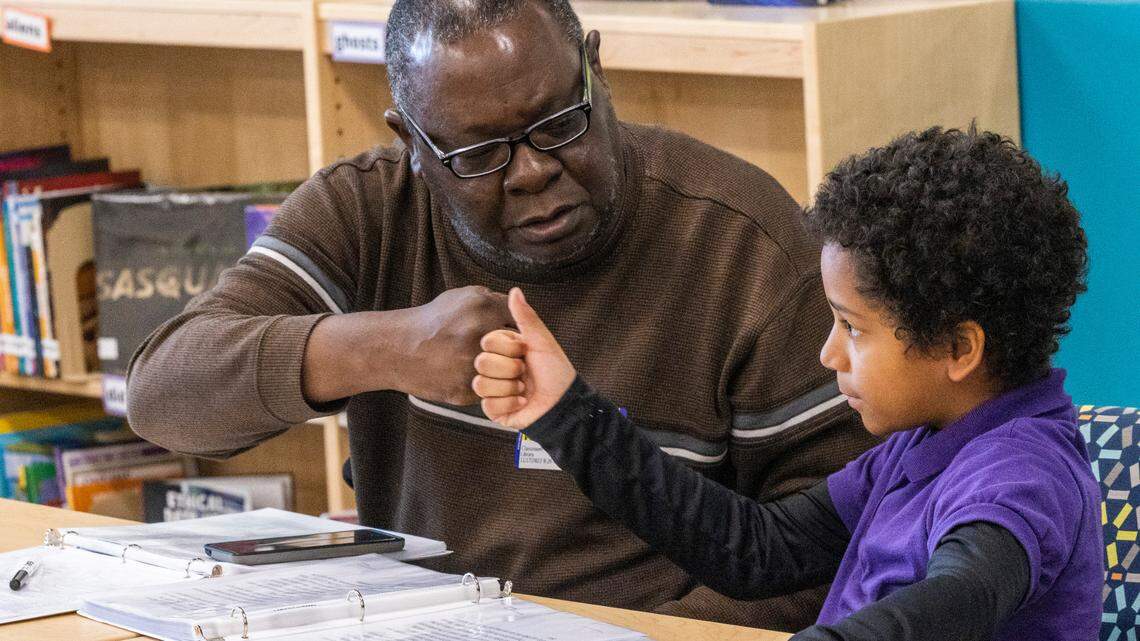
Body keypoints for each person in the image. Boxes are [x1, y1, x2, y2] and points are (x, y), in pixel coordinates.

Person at [124, 0, 873, 629]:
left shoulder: (743, 242)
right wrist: (383, 349)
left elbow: (837, 550)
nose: (533, 170)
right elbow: (162, 395)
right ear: (412, 144)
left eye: (559, 123)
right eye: (479, 153)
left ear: (597, 72)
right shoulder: (367, 210)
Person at [473, 127, 1102, 640]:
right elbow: (755, 549)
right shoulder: (923, 446)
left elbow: (961, 598)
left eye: (853, 328)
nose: (828, 354)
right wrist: (566, 411)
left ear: (958, 348)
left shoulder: (1022, 474)